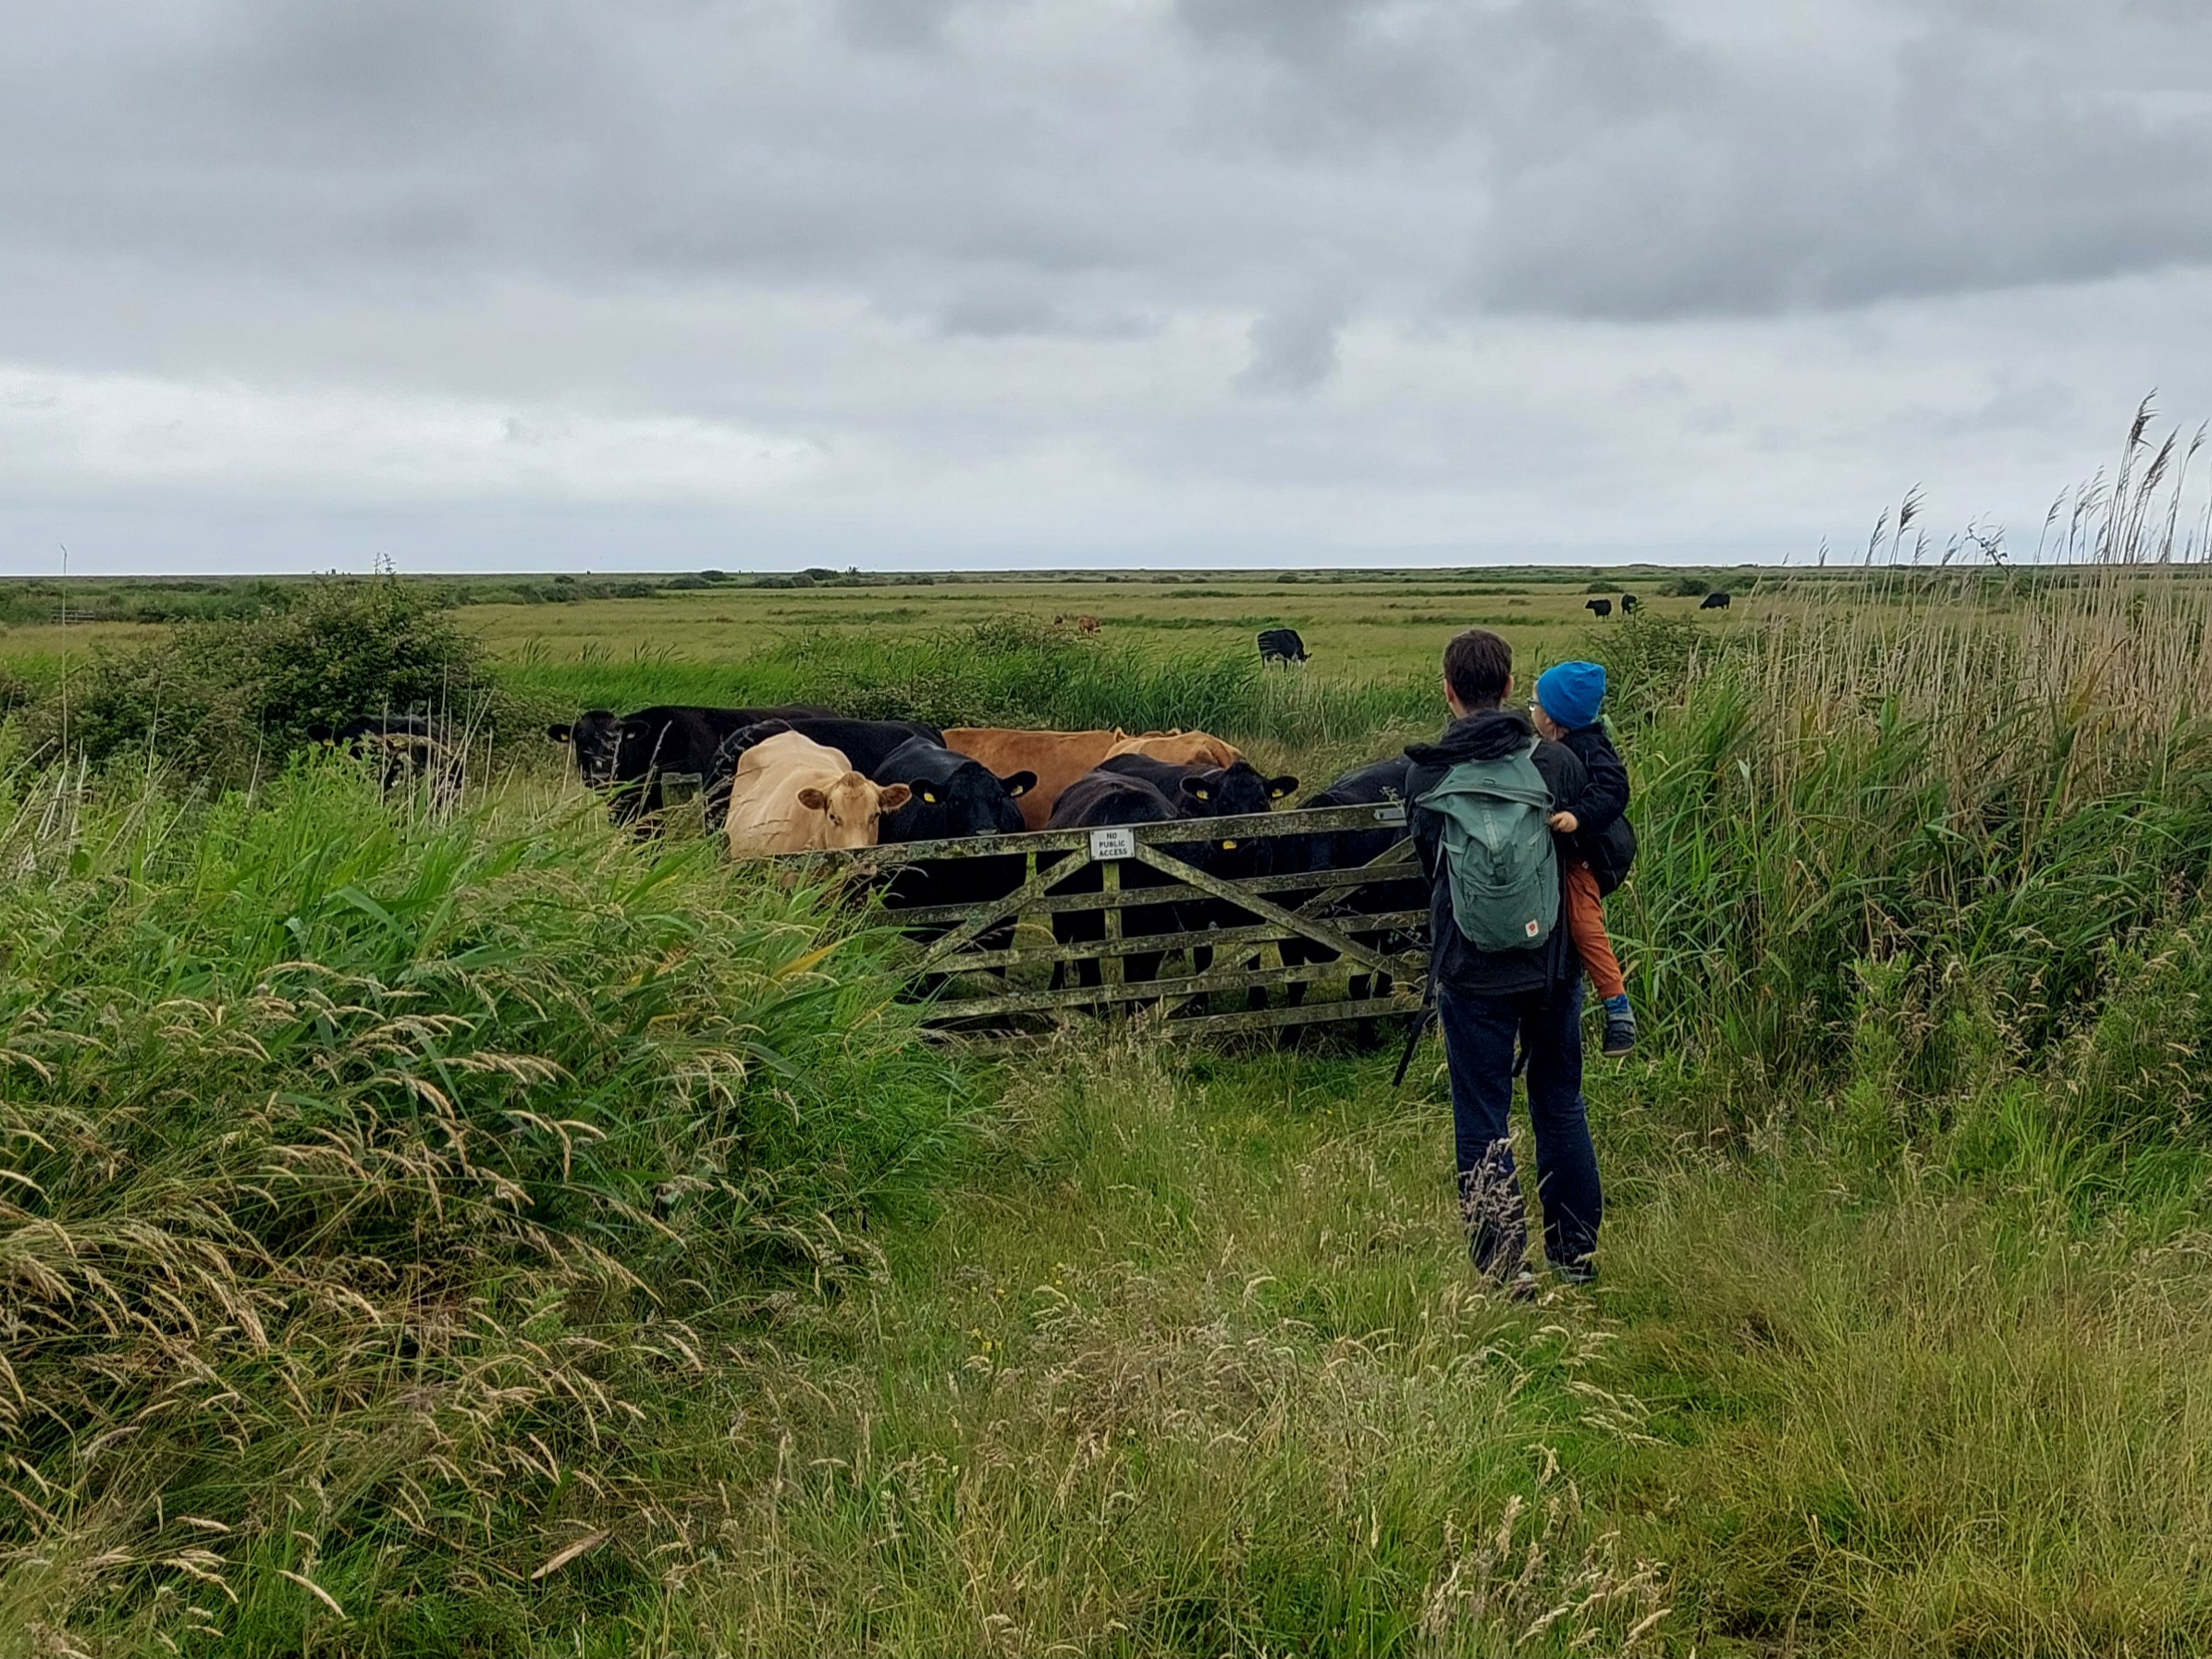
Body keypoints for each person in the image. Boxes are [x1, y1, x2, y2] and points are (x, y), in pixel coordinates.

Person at [1405, 628, 1600, 1294]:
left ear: (1449, 690)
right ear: (1511, 686)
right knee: (1560, 1102)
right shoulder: (1555, 764)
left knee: (1482, 1113)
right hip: (1551, 963)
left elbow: (1429, 865)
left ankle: (1503, 1266)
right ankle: (1574, 1256)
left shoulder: (1427, 773)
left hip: (1469, 970)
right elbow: (1592, 849)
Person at [1529, 660, 1638, 1058]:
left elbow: (1615, 790)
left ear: (1552, 717)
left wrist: (1578, 817)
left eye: (1534, 705)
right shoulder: (1548, 746)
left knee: (1582, 923)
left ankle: (1618, 1007)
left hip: (1588, 857)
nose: (1531, 711)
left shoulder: (1590, 747)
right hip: (1570, 852)